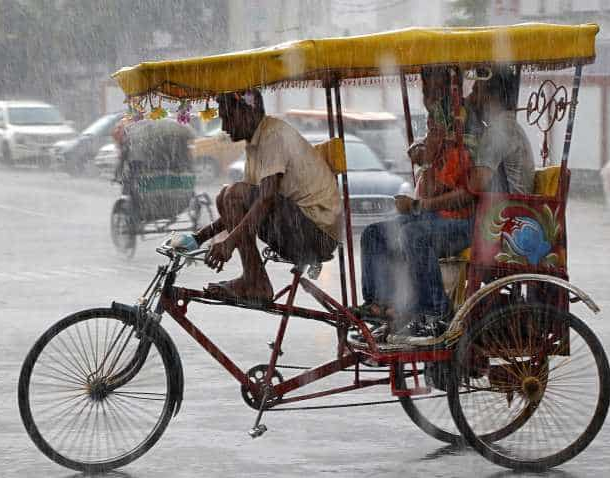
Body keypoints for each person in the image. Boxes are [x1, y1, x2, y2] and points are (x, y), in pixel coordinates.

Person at [171, 89, 342, 302]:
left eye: (228, 118)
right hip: (303, 228)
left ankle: (255, 282)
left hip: (317, 235)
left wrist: (229, 243)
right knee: (224, 196)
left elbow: (266, 199)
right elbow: (242, 208)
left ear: (248, 112)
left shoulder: (272, 135)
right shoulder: (256, 143)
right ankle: (254, 279)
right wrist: (198, 238)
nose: (224, 128)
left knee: (233, 194)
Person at [356, 67, 475, 342]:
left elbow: (467, 192)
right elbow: (430, 182)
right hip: (434, 216)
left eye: (434, 88)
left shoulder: (463, 123)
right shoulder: (437, 123)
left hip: (464, 221)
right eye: (425, 88)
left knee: (413, 236)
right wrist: (427, 154)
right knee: (374, 233)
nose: (428, 95)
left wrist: (420, 204)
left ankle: (434, 312)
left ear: (449, 86)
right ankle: (384, 305)